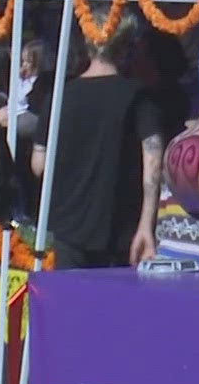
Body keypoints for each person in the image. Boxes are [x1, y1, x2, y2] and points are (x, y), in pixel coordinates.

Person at [31, 18, 162, 268]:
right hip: (120, 226)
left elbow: (39, 164)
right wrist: (147, 223)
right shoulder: (137, 95)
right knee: (112, 305)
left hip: (69, 225)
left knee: (70, 305)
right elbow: (153, 160)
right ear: (126, 47)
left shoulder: (60, 96)